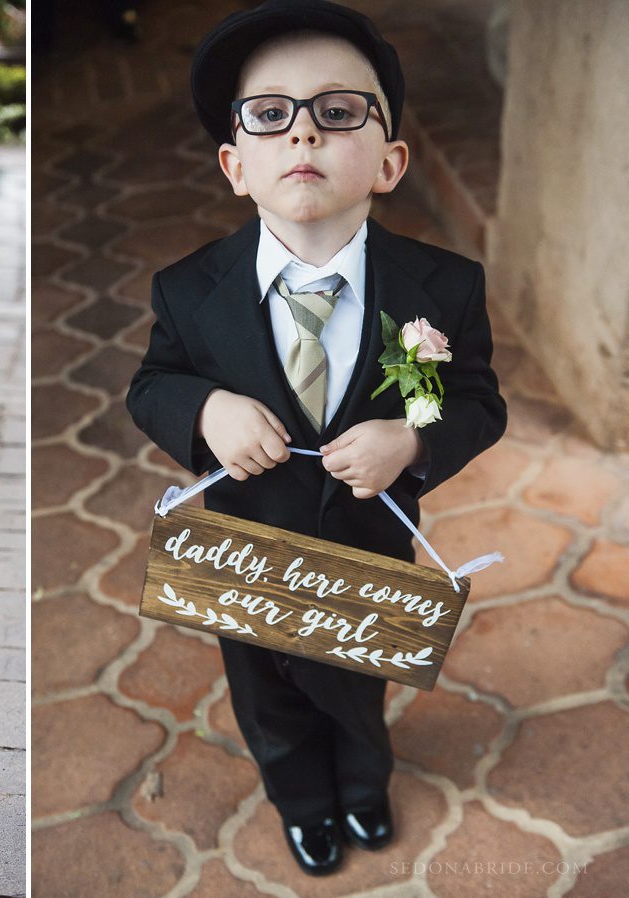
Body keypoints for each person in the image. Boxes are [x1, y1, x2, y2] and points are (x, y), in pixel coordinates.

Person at [125, 0, 507, 877]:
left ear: (388, 160)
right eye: (271, 115)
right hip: (249, 554)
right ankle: (303, 805)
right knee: (268, 696)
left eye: (337, 112)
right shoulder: (188, 291)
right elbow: (153, 386)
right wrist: (205, 412)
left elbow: (478, 400)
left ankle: (365, 790)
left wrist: (410, 442)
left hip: (371, 552)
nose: (303, 136)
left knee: (358, 689)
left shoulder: (441, 288)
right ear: (235, 164)